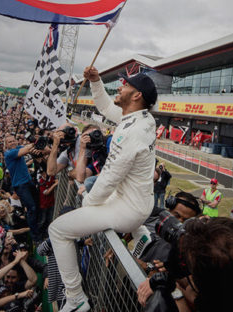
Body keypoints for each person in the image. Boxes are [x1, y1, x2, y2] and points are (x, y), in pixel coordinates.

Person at [48, 66, 157, 312]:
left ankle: (76, 298)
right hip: (137, 203)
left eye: (125, 85)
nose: (120, 87)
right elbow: (106, 107)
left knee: (58, 230)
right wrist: (96, 82)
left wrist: (86, 203)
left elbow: (109, 177)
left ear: (137, 95)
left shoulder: (130, 133)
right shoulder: (142, 118)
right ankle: (141, 234)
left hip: (127, 209)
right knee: (93, 190)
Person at [3, 134, 43, 243]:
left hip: (28, 181)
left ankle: (38, 227)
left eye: (13, 140)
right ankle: (35, 237)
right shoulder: (8, 154)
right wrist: (32, 144)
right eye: (9, 142)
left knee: (37, 204)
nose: (12, 143)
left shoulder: (18, 148)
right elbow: (25, 150)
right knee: (32, 208)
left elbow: (28, 147)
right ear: (6, 145)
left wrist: (37, 142)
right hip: (20, 185)